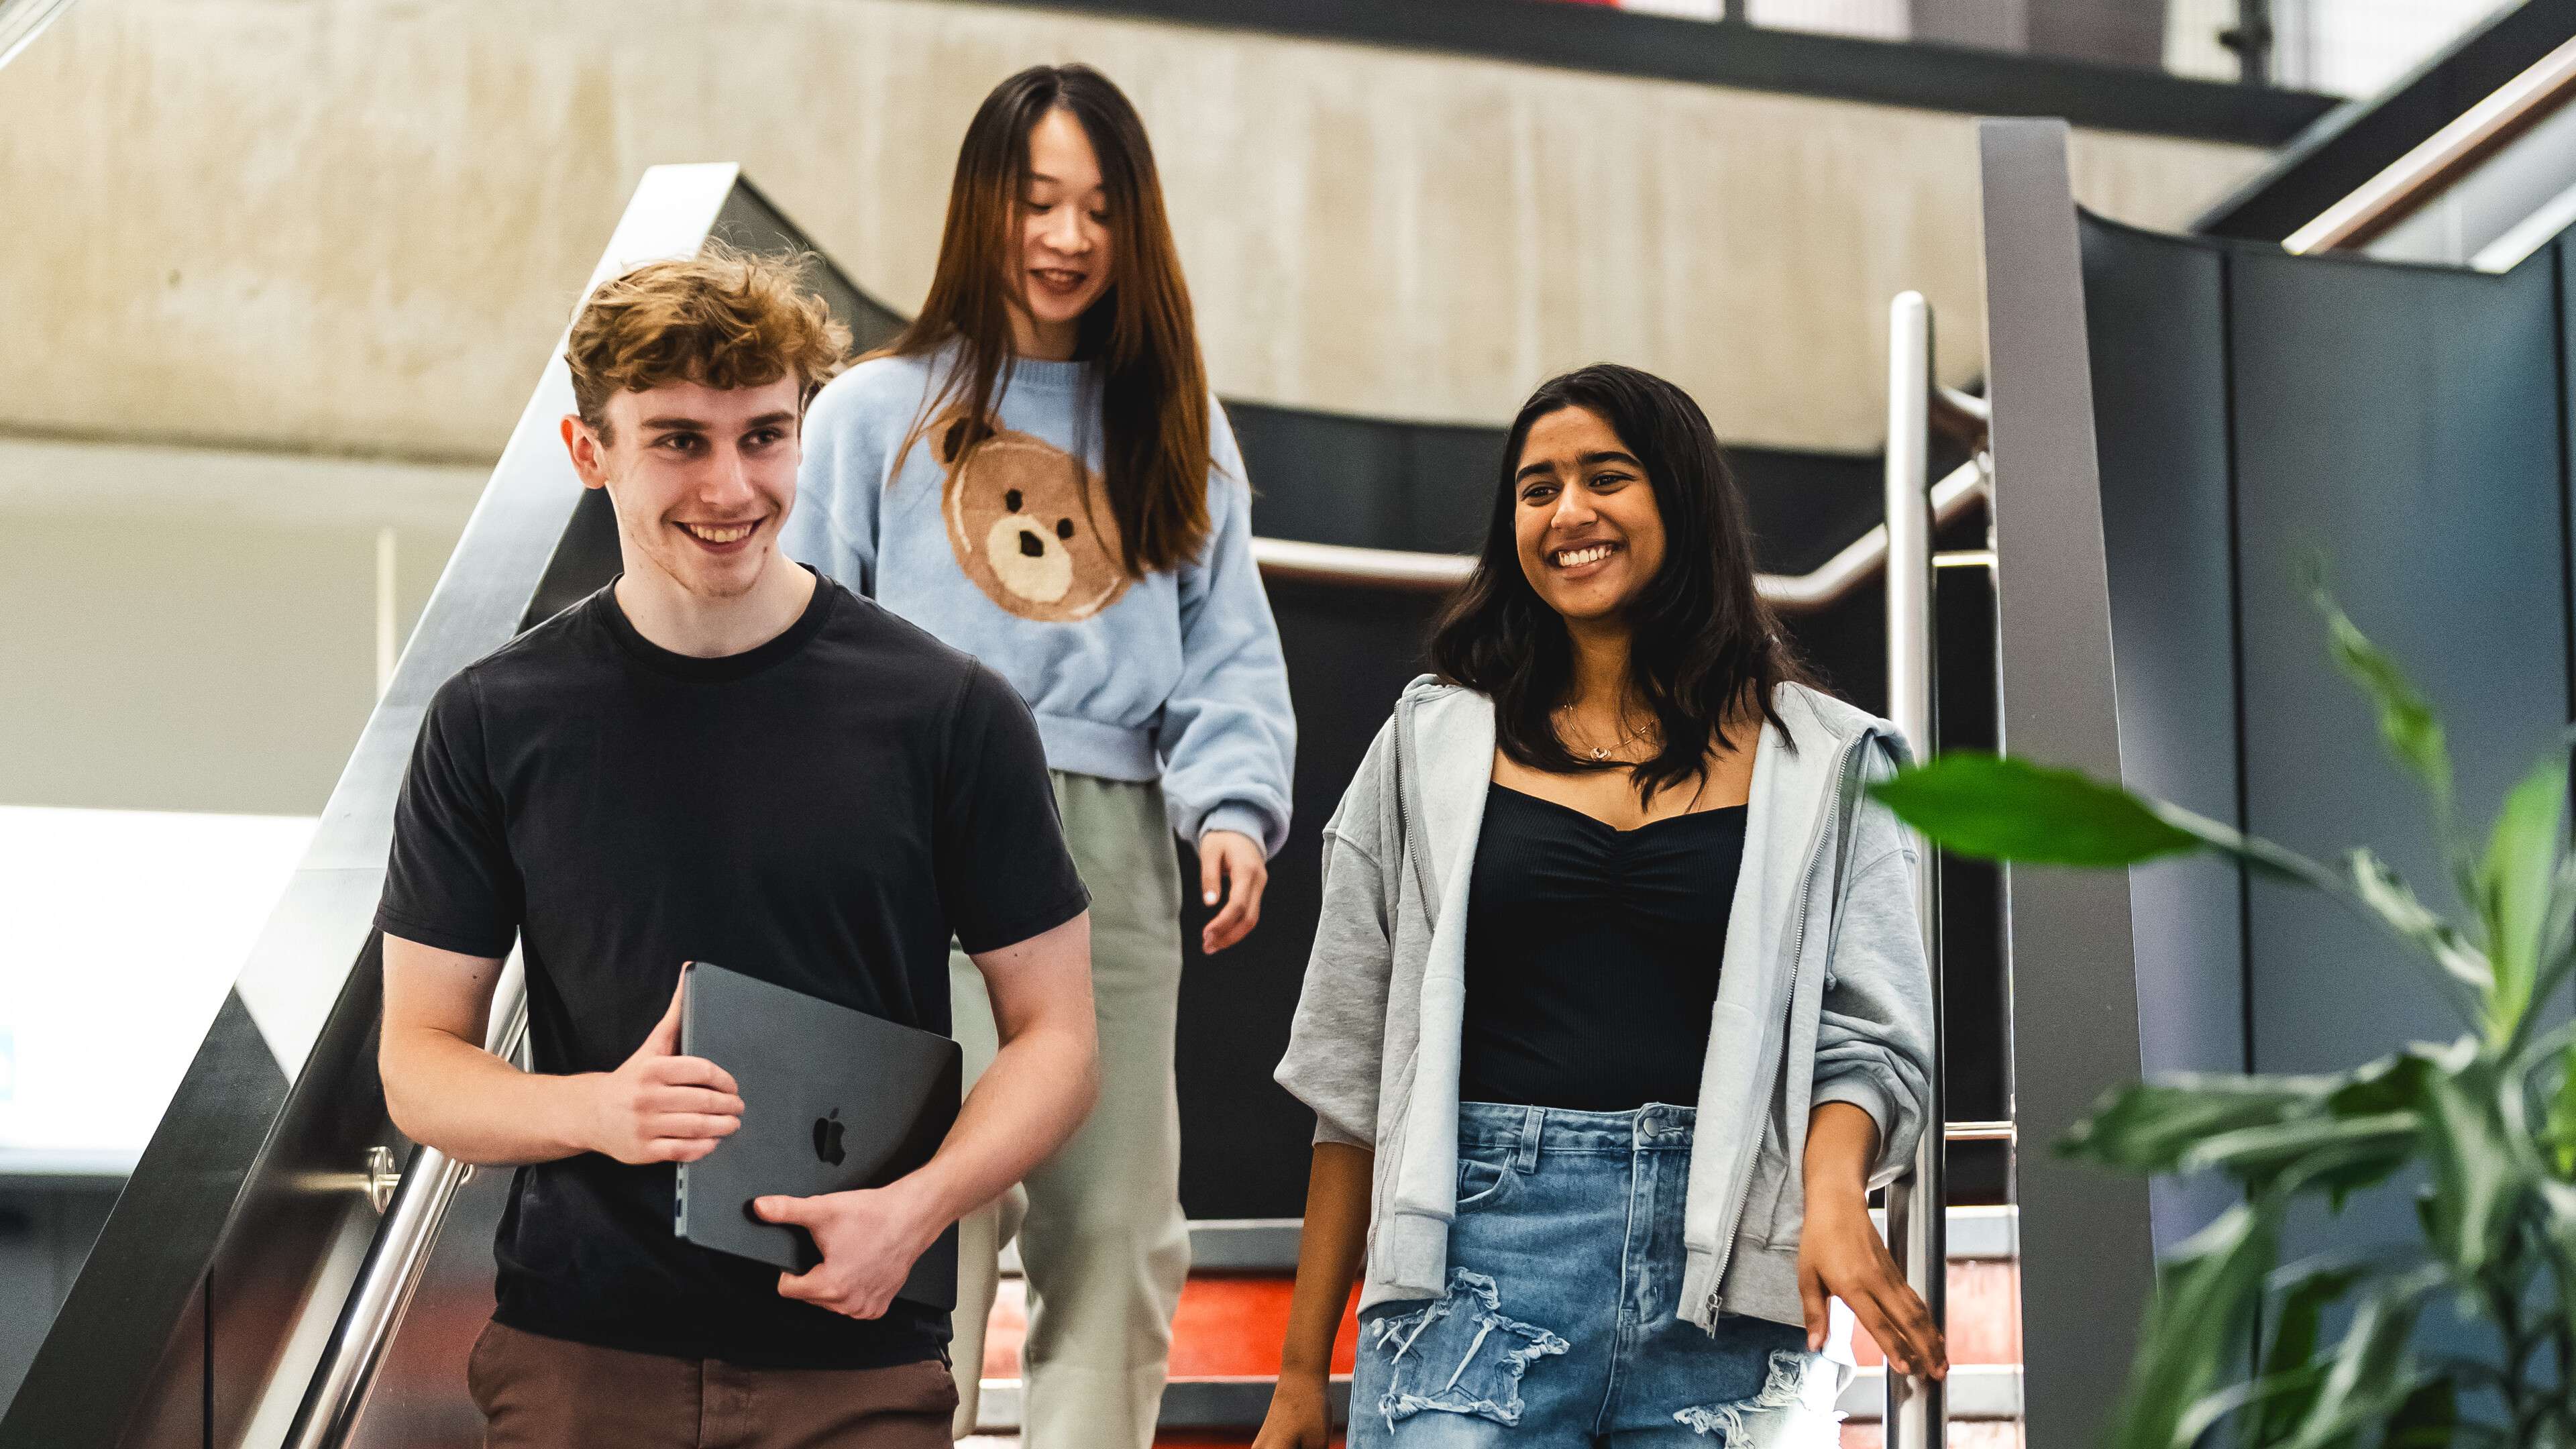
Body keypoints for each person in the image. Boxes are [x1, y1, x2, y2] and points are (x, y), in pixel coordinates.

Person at [374, 245, 1102, 1449]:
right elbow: (419, 1063)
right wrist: (599, 1112)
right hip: (580, 1365)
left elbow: (1060, 1037)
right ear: (587, 452)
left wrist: (919, 1211)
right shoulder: (494, 720)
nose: (731, 486)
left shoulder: (949, 714)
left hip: (858, 1366)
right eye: (679, 441)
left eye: (764, 435)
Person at [1257, 364, 1945, 1448]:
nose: (1568, 512)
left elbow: (1872, 1038)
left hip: (1733, 1280)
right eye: (1537, 489)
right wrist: (1302, 1374)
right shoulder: (1428, 746)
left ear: (1680, 498)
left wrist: (1833, 1193)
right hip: (1473, 1270)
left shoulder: (1831, 761)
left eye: (1605, 477)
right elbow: (1351, 1076)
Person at [785, 64, 1295, 1447]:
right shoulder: (869, 415)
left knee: (1118, 1231)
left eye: (1099, 208)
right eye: (1038, 202)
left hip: (1114, 848)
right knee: (925, 1222)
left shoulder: (1175, 427)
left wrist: (1232, 806)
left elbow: (1227, 652)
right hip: (911, 847)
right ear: (984, 211)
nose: (1068, 238)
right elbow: (794, 643)